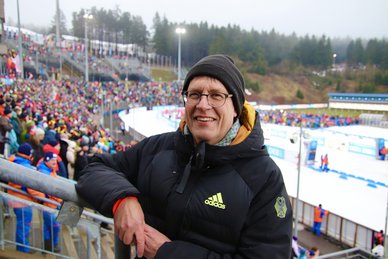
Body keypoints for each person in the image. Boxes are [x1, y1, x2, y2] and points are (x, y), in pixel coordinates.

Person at [76, 54, 293, 258]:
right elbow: (94, 167)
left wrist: (167, 253)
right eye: (195, 94)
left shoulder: (264, 178)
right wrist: (122, 199)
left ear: (236, 107)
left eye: (216, 96)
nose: (203, 105)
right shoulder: (158, 147)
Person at [7, 143, 45, 253]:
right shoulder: (25, 167)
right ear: (28, 155)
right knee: (23, 227)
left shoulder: (15, 161)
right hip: (22, 201)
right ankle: (23, 250)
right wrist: (42, 197)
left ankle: (23, 247)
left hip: (16, 199)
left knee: (22, 226)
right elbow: (31, 188)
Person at [37, 152, 63, 253]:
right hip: (49, 204)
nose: (55, 162)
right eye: (52, 160)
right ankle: (53, 245)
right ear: (46, 160)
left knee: (48, 226)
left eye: (55, 160)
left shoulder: (49, 170)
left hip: (51, 204)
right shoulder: (44, 172)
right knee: (55, 226)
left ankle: (48, 247)